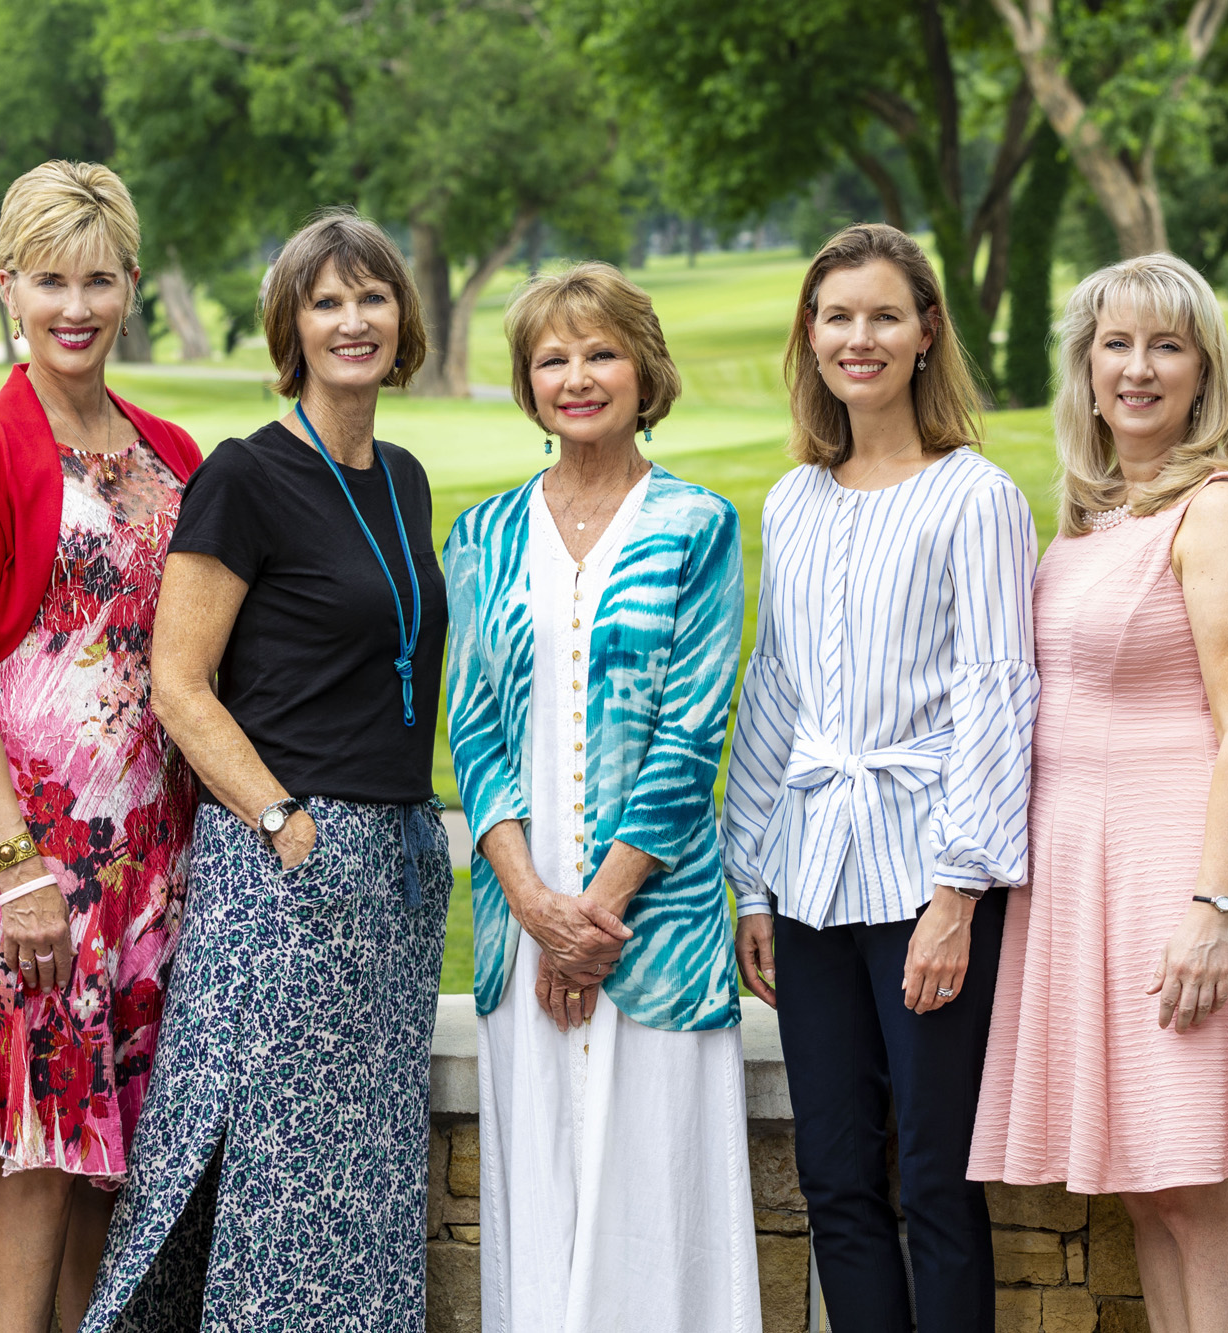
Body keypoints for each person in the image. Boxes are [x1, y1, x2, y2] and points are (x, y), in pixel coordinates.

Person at [78, 208, 452, 1332]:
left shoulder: (405, 476)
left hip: (393, 865)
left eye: (371, 296)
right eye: (326, 301)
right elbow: (178, 683)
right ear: (290, 326)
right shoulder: (244, 475)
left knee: (369, 1175)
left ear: (403, 317)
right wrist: (286, 822)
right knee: (276, 1175)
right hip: (285, 864)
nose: (352, 320)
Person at [968, 253, 1228, 1332]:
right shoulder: (1092, 517)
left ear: (1202, 372)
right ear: (1082, 369)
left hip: (1188, 873)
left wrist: (1208, 912)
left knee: (1199, 1184)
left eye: (1164, 345)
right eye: (1113, 344)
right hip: (1092, 880)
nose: (1135, 368)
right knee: (1146, 1186)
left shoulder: (1218, 512)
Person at [722, 223, 1038, 1333]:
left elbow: (996, 697)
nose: (858, 338)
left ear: (923, 334)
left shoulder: (975, 496)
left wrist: (957, 895)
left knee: (937, 1182)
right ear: (808, 337)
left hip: (923, 884)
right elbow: (774, 694)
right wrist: (752, 884)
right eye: (836, 316)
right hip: (806, 882)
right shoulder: (794, 500)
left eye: (882, 316)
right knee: (836, 1181)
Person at [0, 160, 203, 1333]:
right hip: (33, 860)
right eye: (47, 281)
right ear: (7, 289)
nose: (72, 307)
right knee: (37, 1154)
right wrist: (19, 863)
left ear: (130, 284)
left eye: (96, 279)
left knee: (109, 1159)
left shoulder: (171, 446)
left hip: (152, 859)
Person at [444, 262, 761, 1332]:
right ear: (527, 384)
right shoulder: (481, 536)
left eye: (599, 352)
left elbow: (690, 733)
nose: (576, 377)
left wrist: (597, 918)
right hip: (518, 925)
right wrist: (535, 906)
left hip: (654, 931)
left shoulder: (696, 525)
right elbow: (472, 728)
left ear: (643, 366)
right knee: (540, 1184)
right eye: (551, 359)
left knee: (653, 1191)